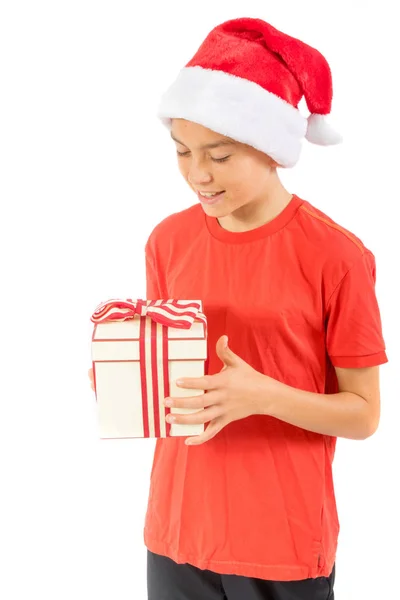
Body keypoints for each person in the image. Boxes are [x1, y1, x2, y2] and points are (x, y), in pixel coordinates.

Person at [89, 17, 388, 600]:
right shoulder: (167, 241)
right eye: (182, 152)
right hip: (176, 534)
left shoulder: (336, 254)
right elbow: (174, 379)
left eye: (220, 156)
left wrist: (263, 397)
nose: (197, 174)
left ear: (270, 148)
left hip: (280, 542)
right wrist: (129, 377)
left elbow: (364, 415)